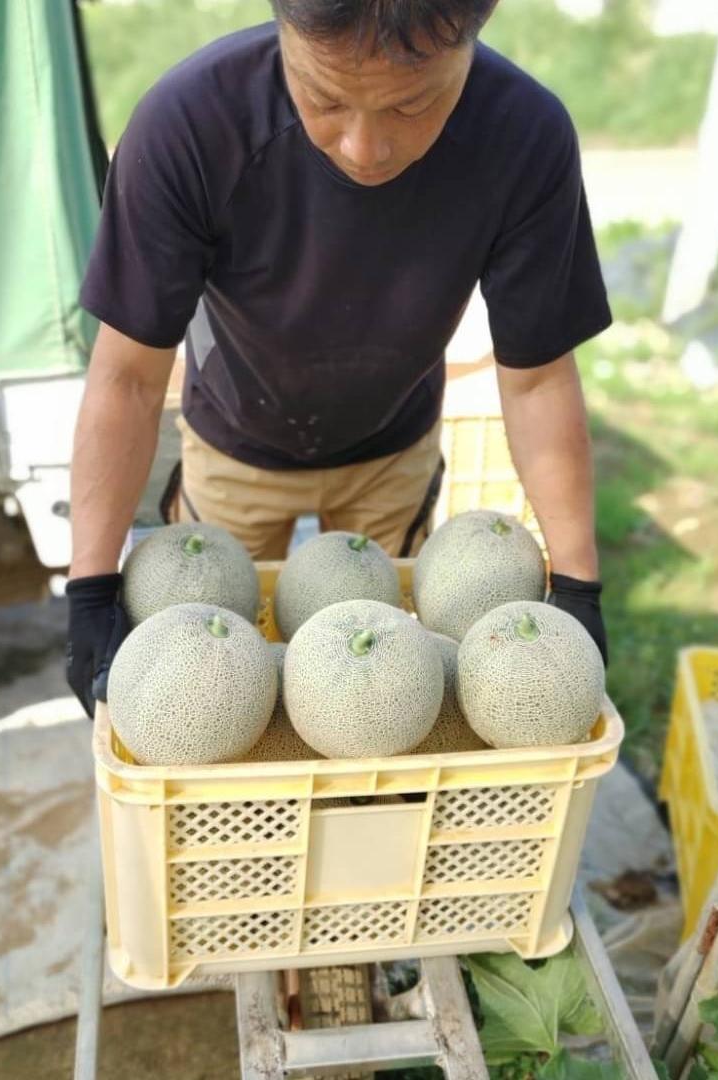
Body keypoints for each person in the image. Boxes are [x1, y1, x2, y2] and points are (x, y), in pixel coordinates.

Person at [65, 0, 612, 718]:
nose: (365, 148)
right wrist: (90, 589)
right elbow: (129, 379)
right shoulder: (189, 124)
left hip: (394, 448)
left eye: (412, 105)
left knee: (382, 689)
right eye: (324, 98)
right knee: (213, 684)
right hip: (235, 446)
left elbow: (538, 379)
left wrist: (577, 584)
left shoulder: (524, 137)